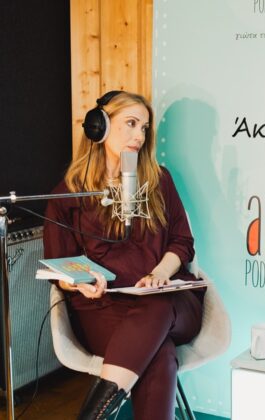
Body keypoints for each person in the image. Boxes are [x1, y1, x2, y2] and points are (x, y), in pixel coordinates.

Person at [43, 91, 205, 420]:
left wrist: (160, 274)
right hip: (105, 307)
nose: (139, 136)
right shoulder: (68, 195)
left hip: (171, 301)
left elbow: (182, 242)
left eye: (144, 128)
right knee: (160, 354)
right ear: (99, 127)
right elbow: (61, 264)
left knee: (157, 303)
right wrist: (81, 283)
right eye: (131, 124)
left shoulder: (159, 180)